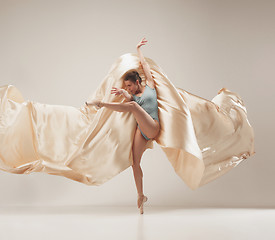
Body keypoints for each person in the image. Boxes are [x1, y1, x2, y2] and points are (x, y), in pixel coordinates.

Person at [85, 37, 159, 214]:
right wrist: (123, 92)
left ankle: (100, 104)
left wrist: (138, 49)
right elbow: (128, 98)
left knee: (133, 107)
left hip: (153, 127)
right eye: (126, 86)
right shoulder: (132, 97)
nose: (129, 88)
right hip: (142, 131)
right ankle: (141, 196)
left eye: (129, 85)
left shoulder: (149, 86)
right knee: (134, 162)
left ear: (137, 82)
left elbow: (145, 66)